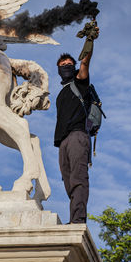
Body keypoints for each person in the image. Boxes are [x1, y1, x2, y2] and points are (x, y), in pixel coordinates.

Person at [54, 40, 95, 224]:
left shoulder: (80, 84)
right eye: (62, 66)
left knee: (78, 178)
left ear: (75, 67)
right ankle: (74, 217)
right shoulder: (61, 94)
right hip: (63, 142)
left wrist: (90, 40)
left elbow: (85, 63)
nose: (66, 67)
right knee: (69, 182)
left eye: (69, 65)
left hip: (78, 136)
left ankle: (78, 220)